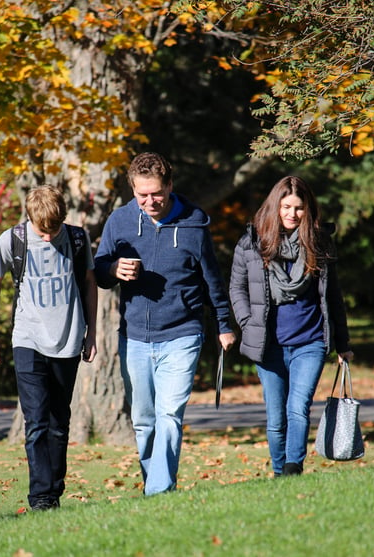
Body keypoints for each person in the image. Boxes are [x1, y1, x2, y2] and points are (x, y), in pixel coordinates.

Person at [94, 152, 236, 496]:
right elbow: (98, 271)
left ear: (170, 186)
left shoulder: (194, 223)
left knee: (169, 413)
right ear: (132, 188)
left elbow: (212, 279)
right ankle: (153, 485)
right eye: (142, 195)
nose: (149, 201)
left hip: (183, 332)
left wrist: (223, 323)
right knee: (143, 421)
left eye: (156, 193)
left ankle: (159, 490)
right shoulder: (120, 220)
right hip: (136, 337)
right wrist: (113, 270)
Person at [229, 176, 352, 477]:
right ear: (275, 206)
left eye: (299, 208)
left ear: (308, 210)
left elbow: (333, 295)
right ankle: (278, 470)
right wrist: (247, 322)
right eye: (286, 207)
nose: (292, 214)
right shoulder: (252, 243)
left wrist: (343, 343)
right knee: (275, 416)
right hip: (267, 343)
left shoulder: (319, 242)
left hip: (309, 341)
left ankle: (293, 468)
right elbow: (237, 288)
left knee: (298, 407)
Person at [0, 185, 97, 511]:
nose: (49, 237)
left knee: (59, 423)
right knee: (35, 423)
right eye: (42, 230)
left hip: (68, 339)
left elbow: (89, 283)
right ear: (30, 217)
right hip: (28, 340)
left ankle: (54, 492)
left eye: (54, 229)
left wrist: (91, 335)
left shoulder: (77, 239)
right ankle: (40, 498)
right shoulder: (12, 240)